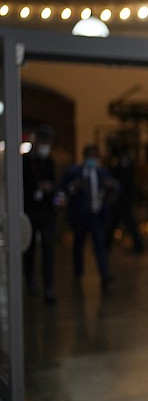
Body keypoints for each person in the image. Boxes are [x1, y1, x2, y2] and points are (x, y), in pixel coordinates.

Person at [58, 144, 118, 291]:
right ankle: (78, 273)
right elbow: (62, 189)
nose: (93, 160)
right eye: (90, 157)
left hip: (96, 215)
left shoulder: (102, 173)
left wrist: (111, 186)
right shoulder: (74, 172)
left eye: (95, 157)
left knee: (99, 245)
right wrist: (74, 187)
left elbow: (116, 186)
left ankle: (104, 275)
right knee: (78, 245)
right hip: (79, 216)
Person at [22, 124, 58, 303]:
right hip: (29, 211)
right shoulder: (24, 162)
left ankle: (49, 286)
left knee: (48, 249)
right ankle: (30, 281)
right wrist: (36, 187)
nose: (46, 146)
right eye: (44, 142)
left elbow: (54, 183)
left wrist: (51, 190)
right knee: (29, 250)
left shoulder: (49, 161)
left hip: (46, 212)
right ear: (36, 141)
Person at [105, 144, 144, 254]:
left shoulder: (123, 161)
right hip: (122, 197)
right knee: (114, 221)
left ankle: (138, 245)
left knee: (127, 221)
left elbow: (124, 180)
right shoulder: (122, 160)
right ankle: (106, 244)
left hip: (123, 197)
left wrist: (117, 193)